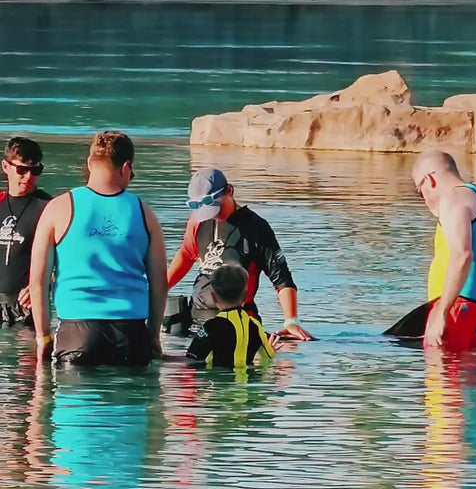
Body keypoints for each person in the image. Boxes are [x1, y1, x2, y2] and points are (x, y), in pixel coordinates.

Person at [29, 131, 168, 365]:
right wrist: (153, 335)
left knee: (77, 401)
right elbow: (159, 283)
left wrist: (43, 337)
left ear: (89, 164)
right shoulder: (145, 214)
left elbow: (38, 282)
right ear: (125, 168)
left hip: (78, 333)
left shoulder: (58, 208)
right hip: (131, 332)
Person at [167, 167, 312, 340]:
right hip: (198, 318)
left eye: (216, 208)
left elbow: (282, 279)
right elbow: (185, 254)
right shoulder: (197, 221)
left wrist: (291, 322)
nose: (211, 216)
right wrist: (158, 289)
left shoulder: (256, 228)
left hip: (239, 320)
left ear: (229, 191)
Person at [413, 150, 476, 348]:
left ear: (429, 179)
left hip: (459, 313)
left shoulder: (453, 197)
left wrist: (442, 313)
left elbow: (462, 256)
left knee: (443, 377)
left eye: (418, 189)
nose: (423, 198)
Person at [185, 263, 279, 368]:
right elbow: (267, 358)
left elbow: (192, 359)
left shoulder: (212, 326)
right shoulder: (255, 325)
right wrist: (271, 350)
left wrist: (165, 357)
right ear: (245, 297)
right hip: (246, 382)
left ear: (213, 296)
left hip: (218, 381)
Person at [0, 137, 51, 328]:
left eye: (35, 170)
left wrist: (41, 284)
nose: (28, 177)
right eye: (22, 170)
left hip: (27, 307)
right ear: (6, 166)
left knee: (30, 357)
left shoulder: (49, 208)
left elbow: (69, 258)